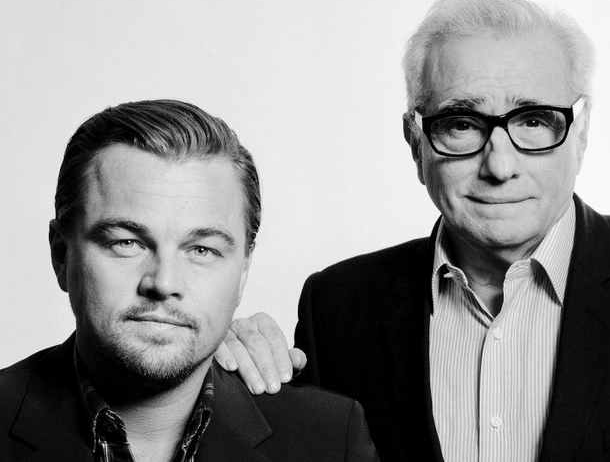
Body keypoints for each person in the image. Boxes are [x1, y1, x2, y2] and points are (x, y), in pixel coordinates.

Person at [215, 0, 610, 462]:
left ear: (580, 134)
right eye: (462, 124)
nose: (500, 166)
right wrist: (214, 373)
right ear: (415, 143)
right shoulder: (337, 311)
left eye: (533, 121)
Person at [0, 100, 379, 461]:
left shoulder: (330, 439)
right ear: (61, 255)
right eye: (126, 243)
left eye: (201, 250)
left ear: (243, 271)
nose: (164, 283)